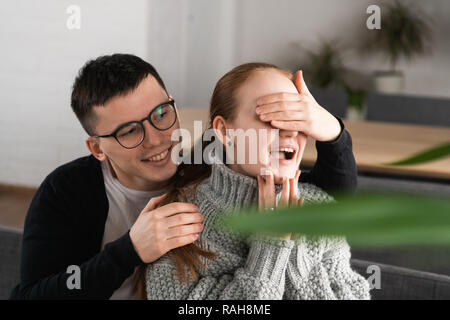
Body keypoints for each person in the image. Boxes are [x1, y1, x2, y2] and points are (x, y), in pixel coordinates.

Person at [10, 54, 358, 300]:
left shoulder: (208, 159)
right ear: (97, 148)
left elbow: (321, 195)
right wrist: (128, 252)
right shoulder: (66, 191)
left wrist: (332, 132)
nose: (157, 138)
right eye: (130, 131)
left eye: (161, 113)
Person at [142, 62, 371, 300]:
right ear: (224, 131)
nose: (291, 131)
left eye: (296, 118)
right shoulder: (176, 222)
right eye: (271, 117)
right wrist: (271, 249)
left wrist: (293, 254)